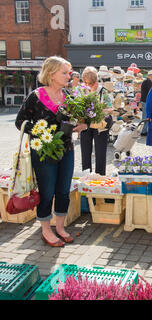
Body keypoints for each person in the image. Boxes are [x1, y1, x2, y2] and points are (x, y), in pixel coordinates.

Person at [15, 56, 85, 247]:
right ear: (51, 74)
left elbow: (74, 122)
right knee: (47, 192)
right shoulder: (35, 97)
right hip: (44, 153)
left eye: (68, 73)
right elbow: (20, 121)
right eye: (64, 72)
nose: (68, 76)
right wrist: (39, 132)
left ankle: (60, 228)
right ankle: (46, 230)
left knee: (63, 191)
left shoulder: (69, 97)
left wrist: (80, 126)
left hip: (66, 150)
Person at [79, 66, 114, 175]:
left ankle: (100, 177)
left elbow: (111, 108)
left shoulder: (103, 91)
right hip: (85, 124)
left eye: (90, 83)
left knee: (100, 154)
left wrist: (101, 110)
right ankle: (86, 177)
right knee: (85, 153)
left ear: (95, 81)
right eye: (86, 82)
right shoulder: (82, 90)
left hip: (100, 126)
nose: (88, 85)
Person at [140, 70, 152, 136]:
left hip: (145, 101)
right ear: (151, 76)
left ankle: (144, 130)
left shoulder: (147, 81)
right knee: (146, 117)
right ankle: (143, 131)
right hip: (146, 101)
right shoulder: (148, 82)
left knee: (146, 116)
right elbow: (151, 92)